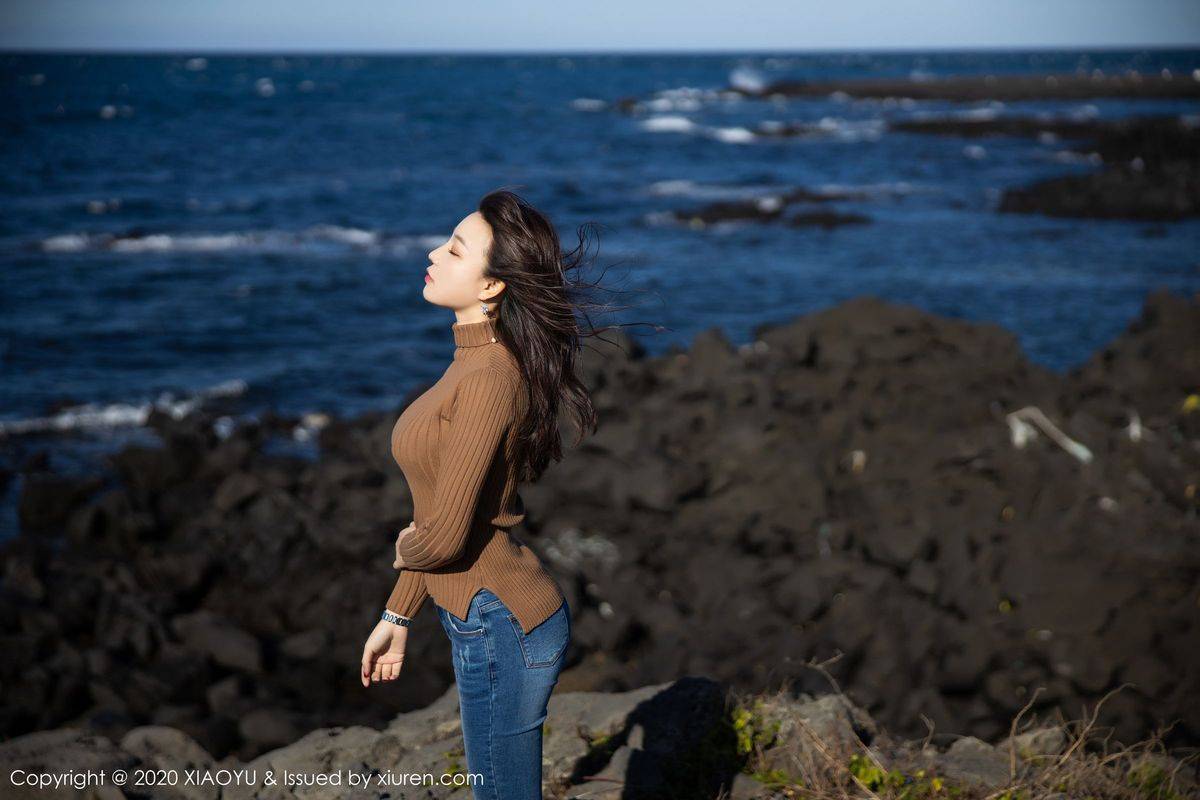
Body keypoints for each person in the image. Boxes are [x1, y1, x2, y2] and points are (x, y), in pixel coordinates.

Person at [359, 188, 604, 800]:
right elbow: (440, 520)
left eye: (455, 249)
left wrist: (408, 550)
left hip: (503, 622)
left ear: (492, 286)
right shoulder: (473, 363)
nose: (433, 252)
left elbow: (443, 533)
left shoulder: (490, 377)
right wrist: (398, 613)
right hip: (484, 617)